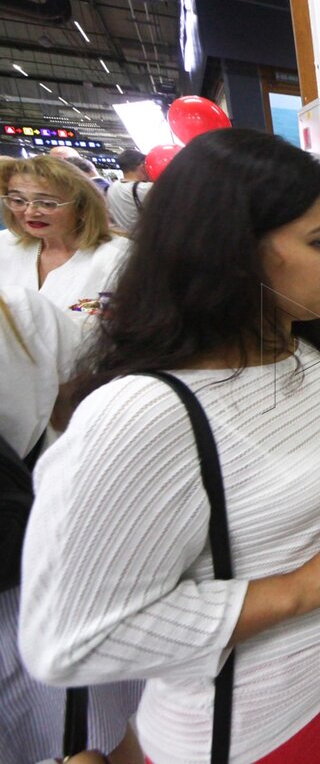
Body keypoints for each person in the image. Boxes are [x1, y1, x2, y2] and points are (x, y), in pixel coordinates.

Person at [19, 128, 320, 764]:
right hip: (255, 723)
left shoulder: (305, 349)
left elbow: (290, 485)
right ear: (234, 252)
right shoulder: (142, 416)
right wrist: (299, 588)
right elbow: (70, 640)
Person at [0, 286, 143, 764]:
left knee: (83, 732)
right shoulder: (18, 307)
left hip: (28, 557)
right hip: (36, 555)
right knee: (88, 731)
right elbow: (76, 398)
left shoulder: (19, 311)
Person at [0, 156, 130, 315]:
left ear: (82, 207)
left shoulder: (120, 256)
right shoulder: (5, 244)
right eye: (18, 200)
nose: (30, 212)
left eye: (47, 203)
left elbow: (108, 315)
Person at [105, 148, 152, 233]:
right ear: (142, 167)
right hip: (142, 237)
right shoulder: (145, 188)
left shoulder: (112, 187)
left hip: (122, 236)